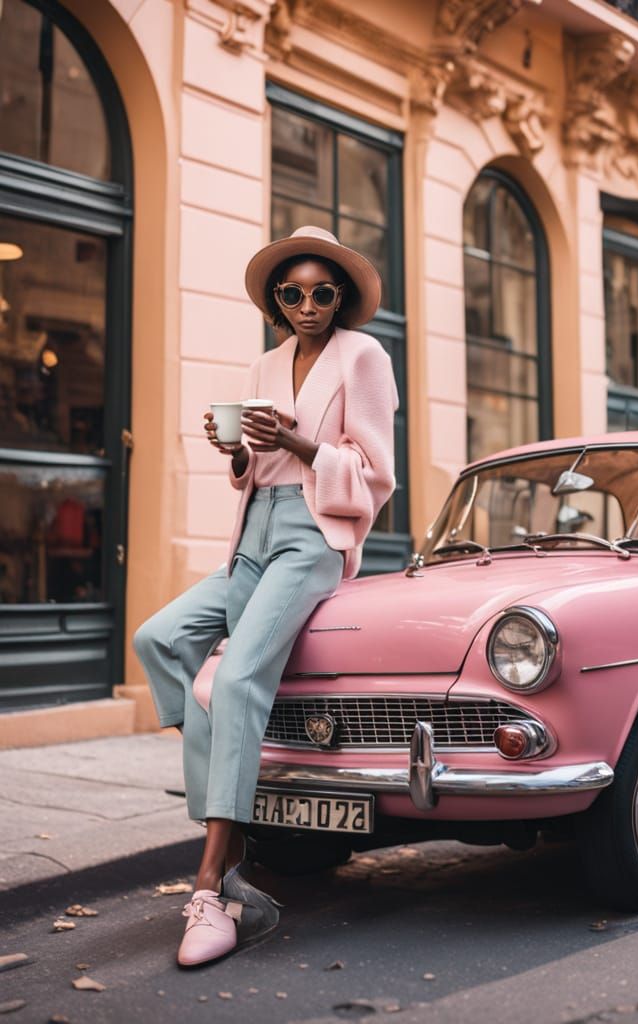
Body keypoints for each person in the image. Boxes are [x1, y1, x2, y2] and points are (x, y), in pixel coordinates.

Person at [133, 225, 399, 967]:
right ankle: (228, 773)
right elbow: (257, 469)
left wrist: (301, 444)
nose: (307, 304)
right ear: (277, 300)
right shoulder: (266, 360)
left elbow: (377, 472)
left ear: (339, 295)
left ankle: (215, 885)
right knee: (159, 639)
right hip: (252, 531)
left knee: (240, 680)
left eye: (322, 291)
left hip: (312, 535)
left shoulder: (364, 356)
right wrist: (241, 451)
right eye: (293, 293)